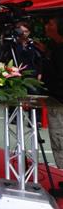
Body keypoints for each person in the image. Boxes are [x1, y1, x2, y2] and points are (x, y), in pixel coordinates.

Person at [41, 15, 63, 177]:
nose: (46, 26)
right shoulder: (55, 48)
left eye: (50, 22)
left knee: (59, 139)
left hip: (59, 101)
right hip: (56, 100)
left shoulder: (58, 49)